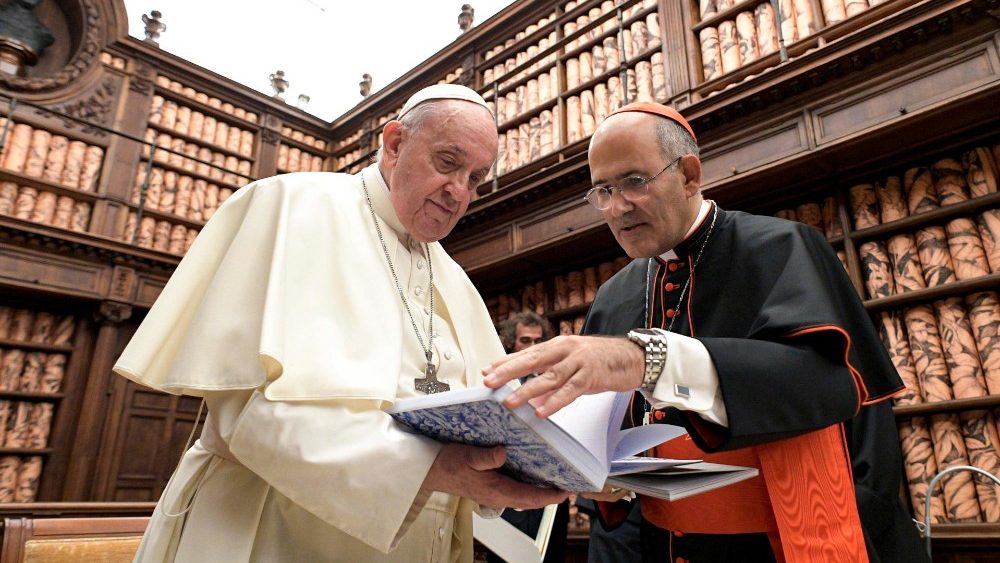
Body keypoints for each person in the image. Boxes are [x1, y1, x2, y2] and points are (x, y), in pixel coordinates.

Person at [113, 84, 565, 562]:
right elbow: (244, 413)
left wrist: (542, 464)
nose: (459, 192)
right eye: (448, 163)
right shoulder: (291, 206)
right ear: (394, 145)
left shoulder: (453, 278)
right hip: (273, 535)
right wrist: (429, 469)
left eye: (475, 178)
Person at [483, 103, 927, 562]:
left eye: (634, 182)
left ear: (689, 175)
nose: (616, 208)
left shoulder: (782, 248)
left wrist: (648, 359)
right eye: (602, 191)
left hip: (785, 541)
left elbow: (830, 385)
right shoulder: (614, 296)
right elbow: (608, 434)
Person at [490, 311, 569, 563]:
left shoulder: (558, 381)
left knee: (549, 555)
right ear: (512, 342)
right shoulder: (499, 380)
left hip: (550, 488)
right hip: (507, 484)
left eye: (538, 341)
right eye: (525, 340)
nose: (532, 347)